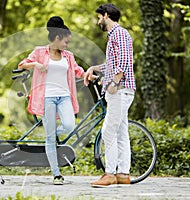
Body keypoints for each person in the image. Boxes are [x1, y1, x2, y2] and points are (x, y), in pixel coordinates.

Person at [18, 16, 85, 185]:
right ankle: (56, 174)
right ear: (57, 38)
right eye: (66, 42)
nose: (67, 45)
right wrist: (35, 65)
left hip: (64, 97)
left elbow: (77, 70)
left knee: (70, 125)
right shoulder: (40, 52)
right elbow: (22, 64)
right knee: (49, 140)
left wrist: (88, 74)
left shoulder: (68, 56)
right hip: (47, 98)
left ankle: (52, 132)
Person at [84, 4, 136, 187]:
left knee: (108, 131)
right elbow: (113, 64)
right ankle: (123, 174)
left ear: (106, 15)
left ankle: (110, 174)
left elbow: (123, 61)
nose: (98, 21)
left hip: (119, 90)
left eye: (99, 17)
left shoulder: (119, 33)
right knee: (121, 132)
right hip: (121, 89)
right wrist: (94, 68)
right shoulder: (115, 35)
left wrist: (114, 83)